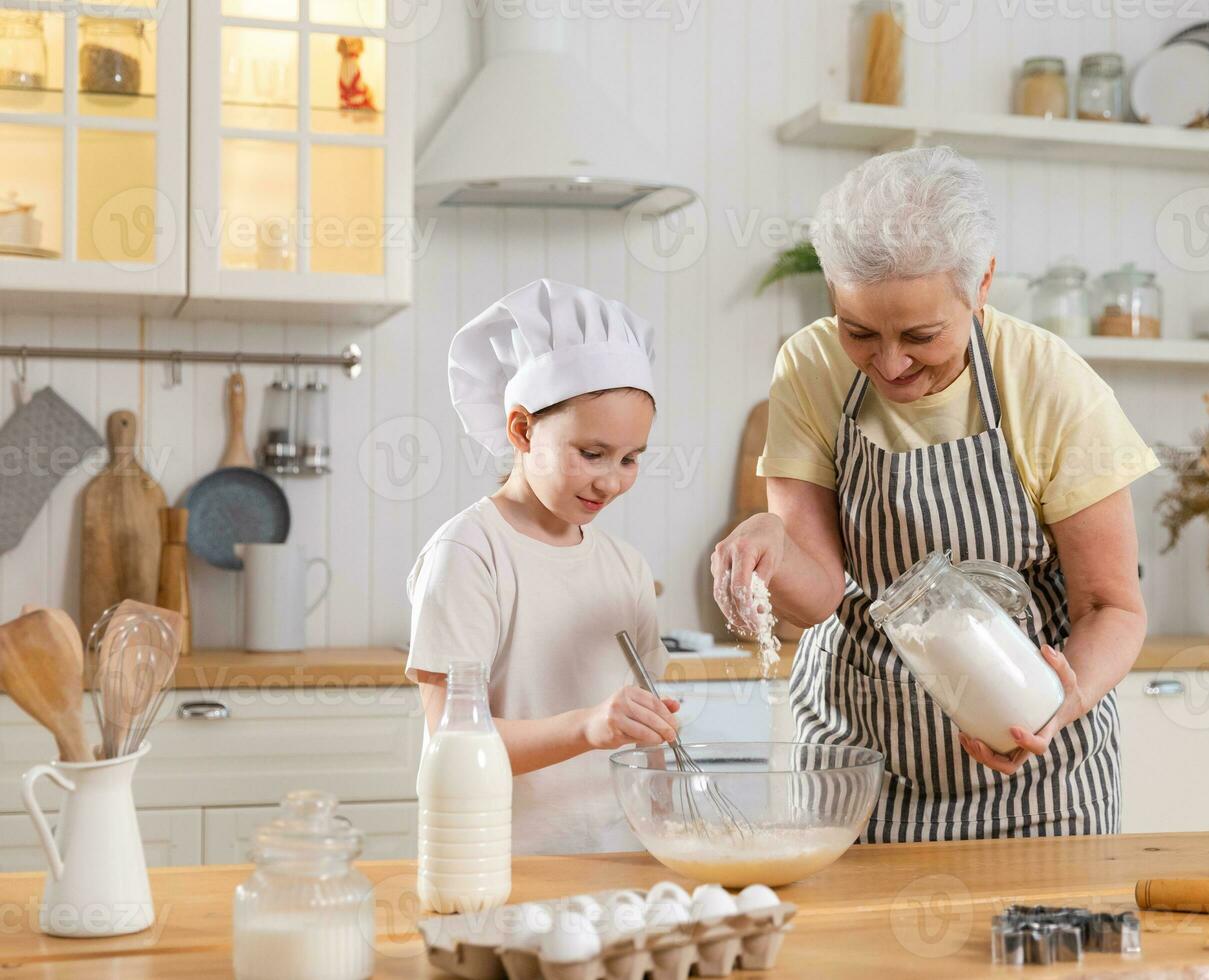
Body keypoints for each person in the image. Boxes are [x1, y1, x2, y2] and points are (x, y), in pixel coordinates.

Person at [711, 146, 1158, 842]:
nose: (890, 364)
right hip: (859, 768)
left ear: (982, 285)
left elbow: (1111, 606)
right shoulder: (811, 365)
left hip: (1040, 779)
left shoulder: (1048, 382)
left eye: (922, 336)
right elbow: (819, 594)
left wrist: (1062, 702)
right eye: (859, 331)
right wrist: (771, 543)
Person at [406, 279, 678, 854]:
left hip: (618, 859)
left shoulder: (626, 568)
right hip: (497, 861)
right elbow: (452, 741)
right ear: (522, 430)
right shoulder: (470, 553)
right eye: (592, 453)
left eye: (631, 459)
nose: (611, 480)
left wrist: (672, 824)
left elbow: (651, 740)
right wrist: (588, 727)